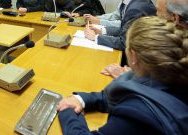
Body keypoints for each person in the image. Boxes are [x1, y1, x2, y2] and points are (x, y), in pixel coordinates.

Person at [57, 16, 188, 134]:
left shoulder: (137, 113)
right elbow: (112, 95)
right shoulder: (167, 77)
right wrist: (80, 99)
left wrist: (68, 110)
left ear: (133, 56)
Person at [102, 0, 188, 79]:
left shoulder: (166, 43)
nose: (155, 15)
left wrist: (130, 77)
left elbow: (168, 86)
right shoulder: (175, 39)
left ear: (175, 18)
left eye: (158, 11)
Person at [84, 0, 156, 55]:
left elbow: (125, 43)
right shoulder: (130, 2)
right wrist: (102, 31)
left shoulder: (136, 9)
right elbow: (124, 29)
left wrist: (95, 37)